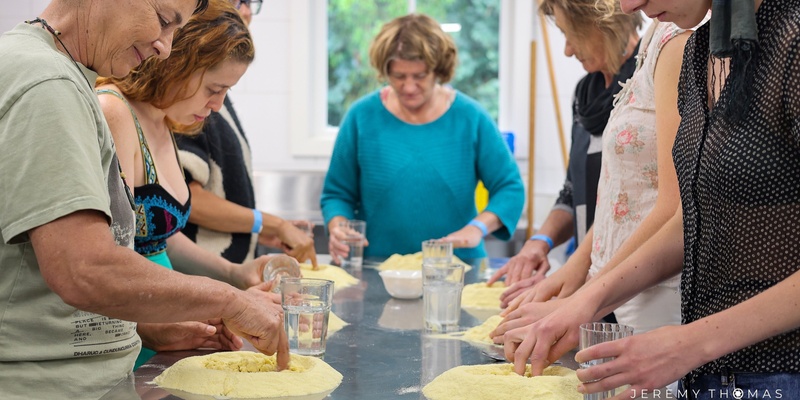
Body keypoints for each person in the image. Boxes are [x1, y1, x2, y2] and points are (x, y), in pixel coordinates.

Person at [501, 0, 800, 398]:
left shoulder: (792, 40)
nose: (629, 6)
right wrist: (583, 303)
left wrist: (690, 342)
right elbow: (690, 218)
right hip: (715, 375)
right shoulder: (701, 51)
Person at [0, 1, 288, 398]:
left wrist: (153, 325)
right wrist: (230, 301)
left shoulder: (61, 75)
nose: (166, 48)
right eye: (164, 20)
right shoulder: (49, 84)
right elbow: (84, 269)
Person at [95, 0, 283, 368]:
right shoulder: (115, 112)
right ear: (177, 62)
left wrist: (234, 275)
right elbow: (99, 261)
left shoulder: (165, 122)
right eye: (214, 88)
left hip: (165, 327)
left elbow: (157, 240)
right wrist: (146, 324)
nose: (217, 105)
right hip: (128, 337)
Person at [320, 13, 525, 263]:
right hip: (378, 268)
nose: (408, 87)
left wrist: (478, 228)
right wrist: (338, 226)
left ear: (438, 70)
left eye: (419, 76)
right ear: (385, 70)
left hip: (456, 267)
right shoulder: (361, 117)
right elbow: (336, 194)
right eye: (398, 76)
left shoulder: (471, 118)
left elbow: (509, 188)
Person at [486, 0, 642, 300]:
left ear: (604, 22)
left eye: (573, 35)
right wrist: (539, 242)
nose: (568, 50)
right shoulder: (585, 95)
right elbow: (573, 191)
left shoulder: (648, 81)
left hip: (635, 285)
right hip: (589, 281)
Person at [175, 0, 317, 267]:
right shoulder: (186, 102)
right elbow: (185, 197)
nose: (249, 10)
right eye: (239, 1)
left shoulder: (213, 98)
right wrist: (268, 223)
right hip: (202, 272)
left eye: (252, 2)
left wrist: (263, 227)